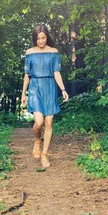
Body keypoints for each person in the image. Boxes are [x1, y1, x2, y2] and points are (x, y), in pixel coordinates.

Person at [21, 24, 69, 168]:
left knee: (49, 123)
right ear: (34, 39)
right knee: (39, 122)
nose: (41, 41)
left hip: (50, 88)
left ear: (47, 37)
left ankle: (44, 154)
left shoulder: (54, 52)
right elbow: (27, 76)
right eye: (38, 38)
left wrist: (63, 89)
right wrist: (23, 93)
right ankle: (37, 141)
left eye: (43, 38)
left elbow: (56, 73)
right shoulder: (29, 53)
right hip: (35, 87)